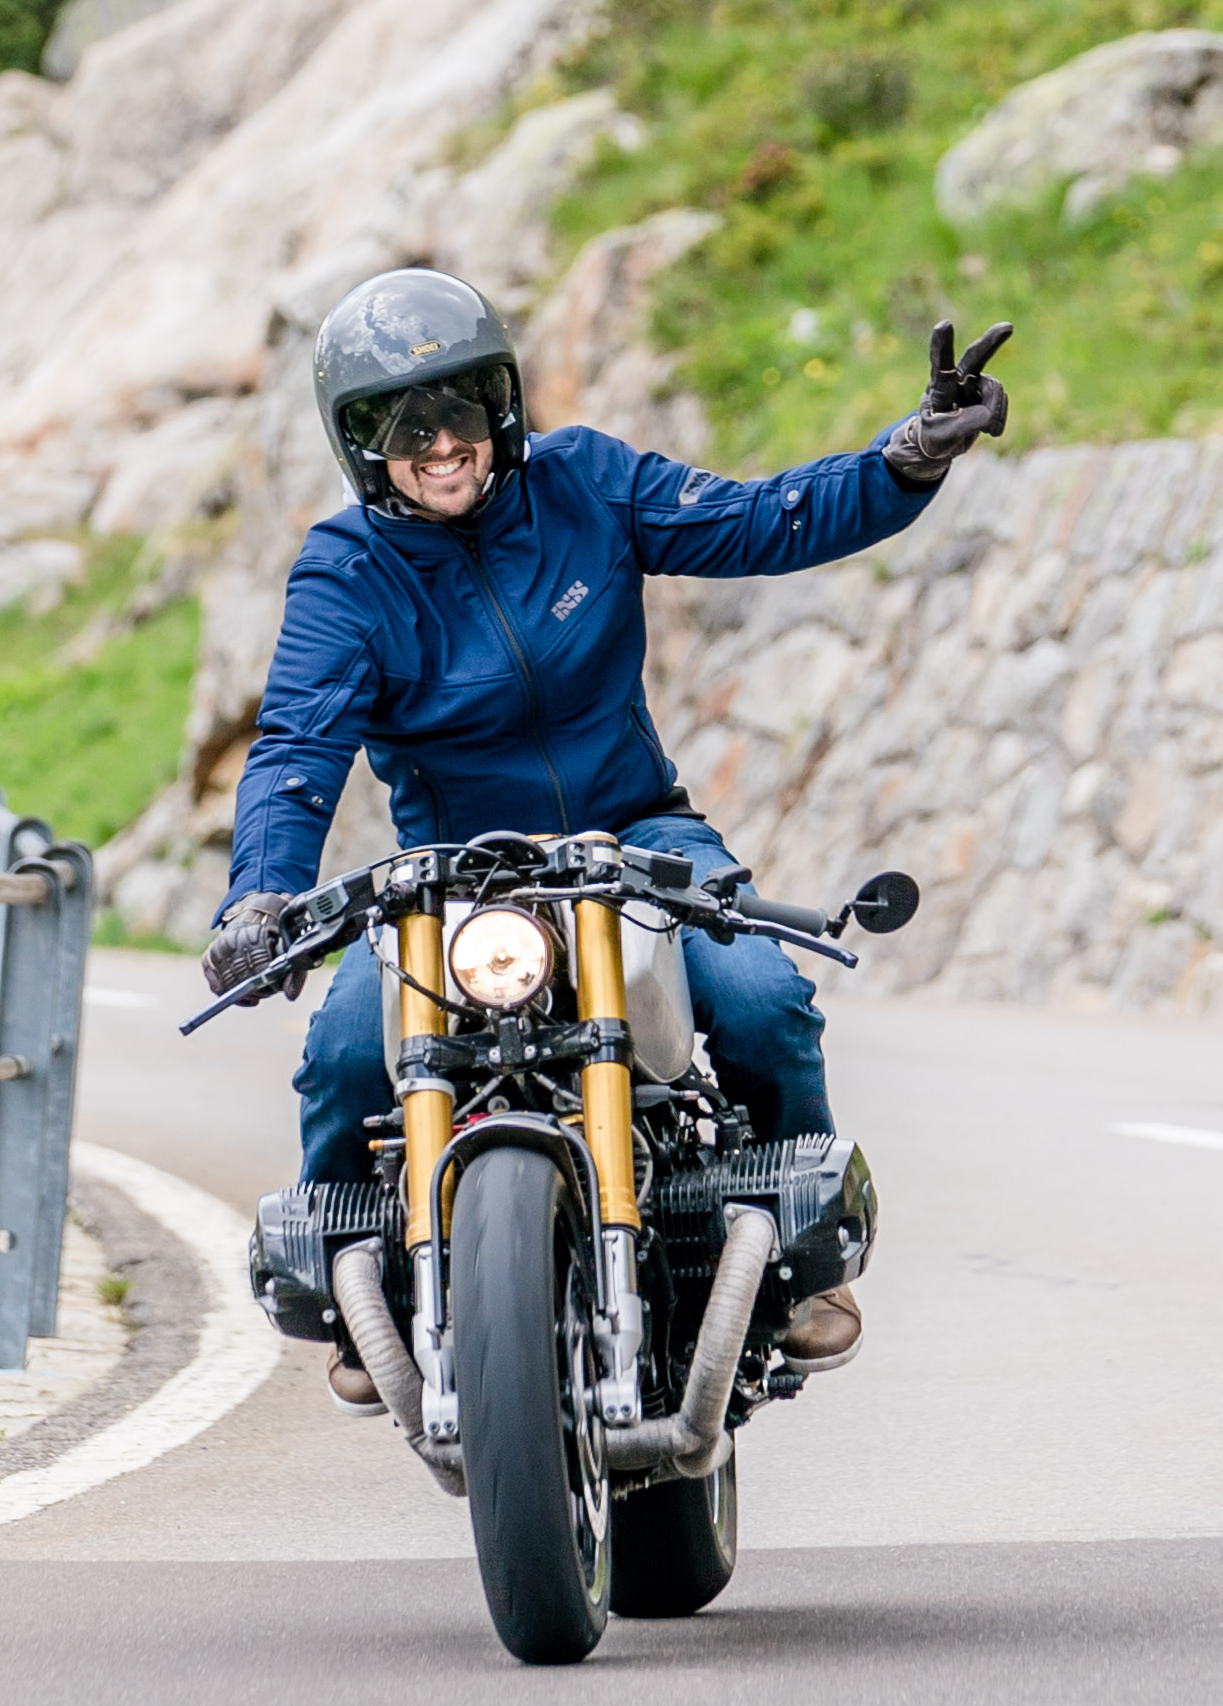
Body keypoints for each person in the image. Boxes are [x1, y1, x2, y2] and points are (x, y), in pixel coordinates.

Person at [207, 270, 1013, 1399]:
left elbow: (755, 519)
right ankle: (366, 1298)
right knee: (344, 1053)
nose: (440, 443)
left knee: (762, 998)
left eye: (460, 405)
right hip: (448, 879)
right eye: (401, 423)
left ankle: (803, 1264)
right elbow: (297, 745)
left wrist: (907, 460)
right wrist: (259, 896)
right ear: (359, 443)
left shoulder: (585, 482)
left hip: (635, 833)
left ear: (502, 402)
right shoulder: (347, 573)